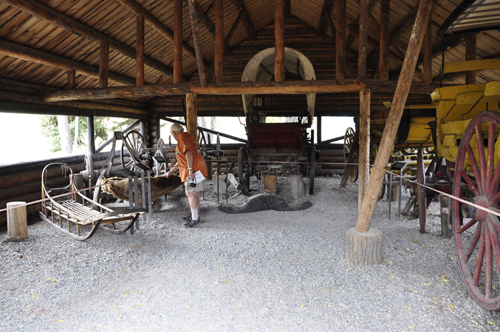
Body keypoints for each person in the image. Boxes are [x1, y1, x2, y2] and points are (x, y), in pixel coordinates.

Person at [165, 123, 208, 227]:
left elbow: (188, 152)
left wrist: (190, 170)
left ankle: (195, 219)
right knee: (194, 193)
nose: (173, 136)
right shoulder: (187, 136)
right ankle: (195, 216)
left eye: (172, 134)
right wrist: (171, 171)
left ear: (174, 132)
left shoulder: (182, 137)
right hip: (195, 169)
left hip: (193, 170)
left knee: (191, 193)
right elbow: (181, 159)